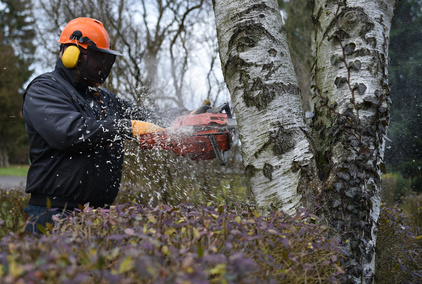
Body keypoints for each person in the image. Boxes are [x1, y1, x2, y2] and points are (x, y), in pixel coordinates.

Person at [22, 17, 183, 233]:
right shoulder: (44, 90)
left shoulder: (100, 96)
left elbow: (142, 115)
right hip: (53, 213)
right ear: (72, 54)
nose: (101, 66)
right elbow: (70, 132)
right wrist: (128, 128)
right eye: (96, 58)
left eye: (104, 60)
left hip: (98, 215)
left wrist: (184, 117)